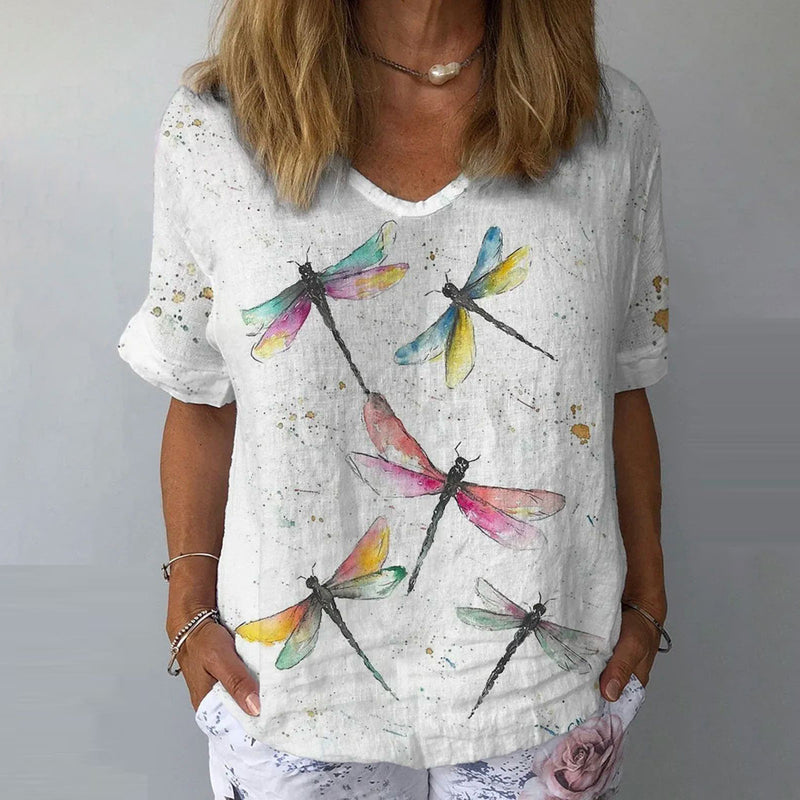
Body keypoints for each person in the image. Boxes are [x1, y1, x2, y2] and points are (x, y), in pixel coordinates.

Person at [117, 1, 672, 797]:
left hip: (547, 681)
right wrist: (187, 611)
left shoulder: (607, 124)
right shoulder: (216, 127)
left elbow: (620, 381)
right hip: (285, 688)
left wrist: (648, 601)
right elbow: (203, 393)